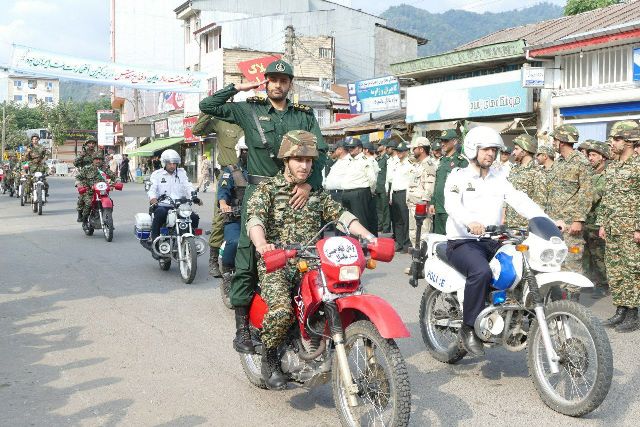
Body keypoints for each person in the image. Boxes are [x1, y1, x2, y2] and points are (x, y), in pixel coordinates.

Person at [198, 59, 327, 354]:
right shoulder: (249, 109)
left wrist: (309, 185)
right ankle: (242, 327)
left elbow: (320, 152)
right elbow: (208, 106)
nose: (278, 84)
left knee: (308, 254)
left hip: (297, 195)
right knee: (248, 255)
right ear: (266, 81)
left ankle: (310, 319)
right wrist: (238, 87)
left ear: (290, 84)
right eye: (273, 79)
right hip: (259, 193)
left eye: (284, 80)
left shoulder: (303, 117)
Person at [245, 130, 375, 389]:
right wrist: (262, 244)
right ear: (286, 161)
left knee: (343, 299)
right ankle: (269, 360)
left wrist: (369, 237)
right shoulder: (267, 190)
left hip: (313, 263)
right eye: (298, 160)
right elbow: (255, 219)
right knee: (282, 311)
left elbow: (342, 216)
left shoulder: (316, 194)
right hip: (277, 263)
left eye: (308, 160)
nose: (304, 165)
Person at [444, 126, 552, 356]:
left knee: (521, 265)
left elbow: (520, 200)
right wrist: (469, 221)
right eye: (486, 149)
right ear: (473, 149)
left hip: (493, 241)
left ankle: (515, 315)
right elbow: (451, 206)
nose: (491, 154)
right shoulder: (458, 177)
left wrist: (546, 219)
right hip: (463, 241)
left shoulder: (499, 178)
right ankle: (469, 327)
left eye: (494, 150)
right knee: (481, 272)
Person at [597, 121, 640, 332]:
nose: (612, 143)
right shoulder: (612, 167)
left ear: (630, 141)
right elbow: (607, 198)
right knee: (615, 271)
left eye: (617, 139)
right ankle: (621, 310)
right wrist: (603, 223)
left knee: (632, 270)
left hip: (631, 229)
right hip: (613, 228)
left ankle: (633, 314)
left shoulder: (638, 166)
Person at [545, 124, 593, 301]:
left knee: (572, 262)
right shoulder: (559, 163)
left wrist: (579, 220)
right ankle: (560, 302)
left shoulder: (581, 162)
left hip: (571, 223)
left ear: (562, 141)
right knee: (556, 261)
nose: (553, 143)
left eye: (555, 139)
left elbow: (587, 193)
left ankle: (573, 303)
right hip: (555, 223)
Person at [192, 115, 244, 278]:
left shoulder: (253, 120)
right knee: (222, 218)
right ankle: (213, 260)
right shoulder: (222, 121)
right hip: (229, 174)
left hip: (251, 173)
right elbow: (197, 130)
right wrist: (208, 111)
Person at [146, 149, 202, 257]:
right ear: (164, 163)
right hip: (163, 205)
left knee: (194, 217)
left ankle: (190, 242)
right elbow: (152, 189)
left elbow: (188, 186)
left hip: (180, 205)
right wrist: (153, 199)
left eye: (174, 163)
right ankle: (155, 244)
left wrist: (194, 197)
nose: (172, 166)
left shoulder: (182, 173)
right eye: (170, 163)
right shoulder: (157, 174)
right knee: (160, 213)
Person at [217, 139, 249, 294]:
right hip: (236, 218)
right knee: (235, 241)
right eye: (245, 151)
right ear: (240, 152)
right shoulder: (231, 171)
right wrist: (224, 205)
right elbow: (223, 193)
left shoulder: (264, 170)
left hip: (257, 217)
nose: (249, 154)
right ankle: (228, 273)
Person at [583, 140, 610, 299]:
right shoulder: (591, 174)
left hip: (597, 223)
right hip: (588, 221)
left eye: (594, 155)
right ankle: (592, 282)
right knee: (589, 255)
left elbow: (592, 197)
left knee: (599, 256)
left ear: (603, 157)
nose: (590, 158)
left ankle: (603, 285)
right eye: (589, 155)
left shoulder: (605, 176)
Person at [429, 129, 468, 234]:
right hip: (439, 207)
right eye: (442, 141)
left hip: (451, 208)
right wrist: (433, 203)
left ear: (454, 142)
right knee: (438, 237)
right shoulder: (442, 160)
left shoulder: (461, 162)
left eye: (446, 141)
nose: (442, 144)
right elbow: (437, 183)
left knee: (450, 238)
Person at [504, 134, 546, 229]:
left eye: (516, 149)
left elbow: (540, 202)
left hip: (526, 227)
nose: (513, 152)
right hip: (510, 226)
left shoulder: (537, 172)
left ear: (524, 151)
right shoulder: (514, 170)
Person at [407, 137, 436, 241]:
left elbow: (429, 187)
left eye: (414, 148)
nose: (412, 151)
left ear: (421, 149)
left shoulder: (428, 165)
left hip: (421, 209)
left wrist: (423, 206)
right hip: (413, 207)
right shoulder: (418, 165)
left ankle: (423, 257)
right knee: (414, 236)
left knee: (423, 238)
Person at [76, 153, 117, 226]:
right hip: (89, 191)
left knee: (110, 202)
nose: (98, 161)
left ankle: (108, 219)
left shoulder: (105, 169)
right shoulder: (87, 168)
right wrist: (79, 185)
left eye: (100, 159)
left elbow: (114, 176)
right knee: (88, 203)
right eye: (96, 159)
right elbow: (78, 178)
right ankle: (85, 220)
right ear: (93, 160)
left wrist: (117, 182)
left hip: (102, 192)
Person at [388, 139, 412, 252]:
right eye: (398, 151)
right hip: (396, 193)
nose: (399, 153)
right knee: (397, 220)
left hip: (404, 193)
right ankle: (399, 242)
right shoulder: (396, 164)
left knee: (405, 219)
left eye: (401, 151)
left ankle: (407, 243)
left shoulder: (410, 164)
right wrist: (391, 196)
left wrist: (408, 196)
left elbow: (410, 182)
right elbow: (393, 181)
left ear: (406, 152)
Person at [375, 139, 391, 233]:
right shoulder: (379, 158)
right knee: (379, 208)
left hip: (384, 187)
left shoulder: (386, 158)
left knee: (385, 208)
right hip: (378, 187)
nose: (378, 146)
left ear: (384, 147)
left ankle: (386, 227)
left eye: (380, 145)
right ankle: (380, 225)